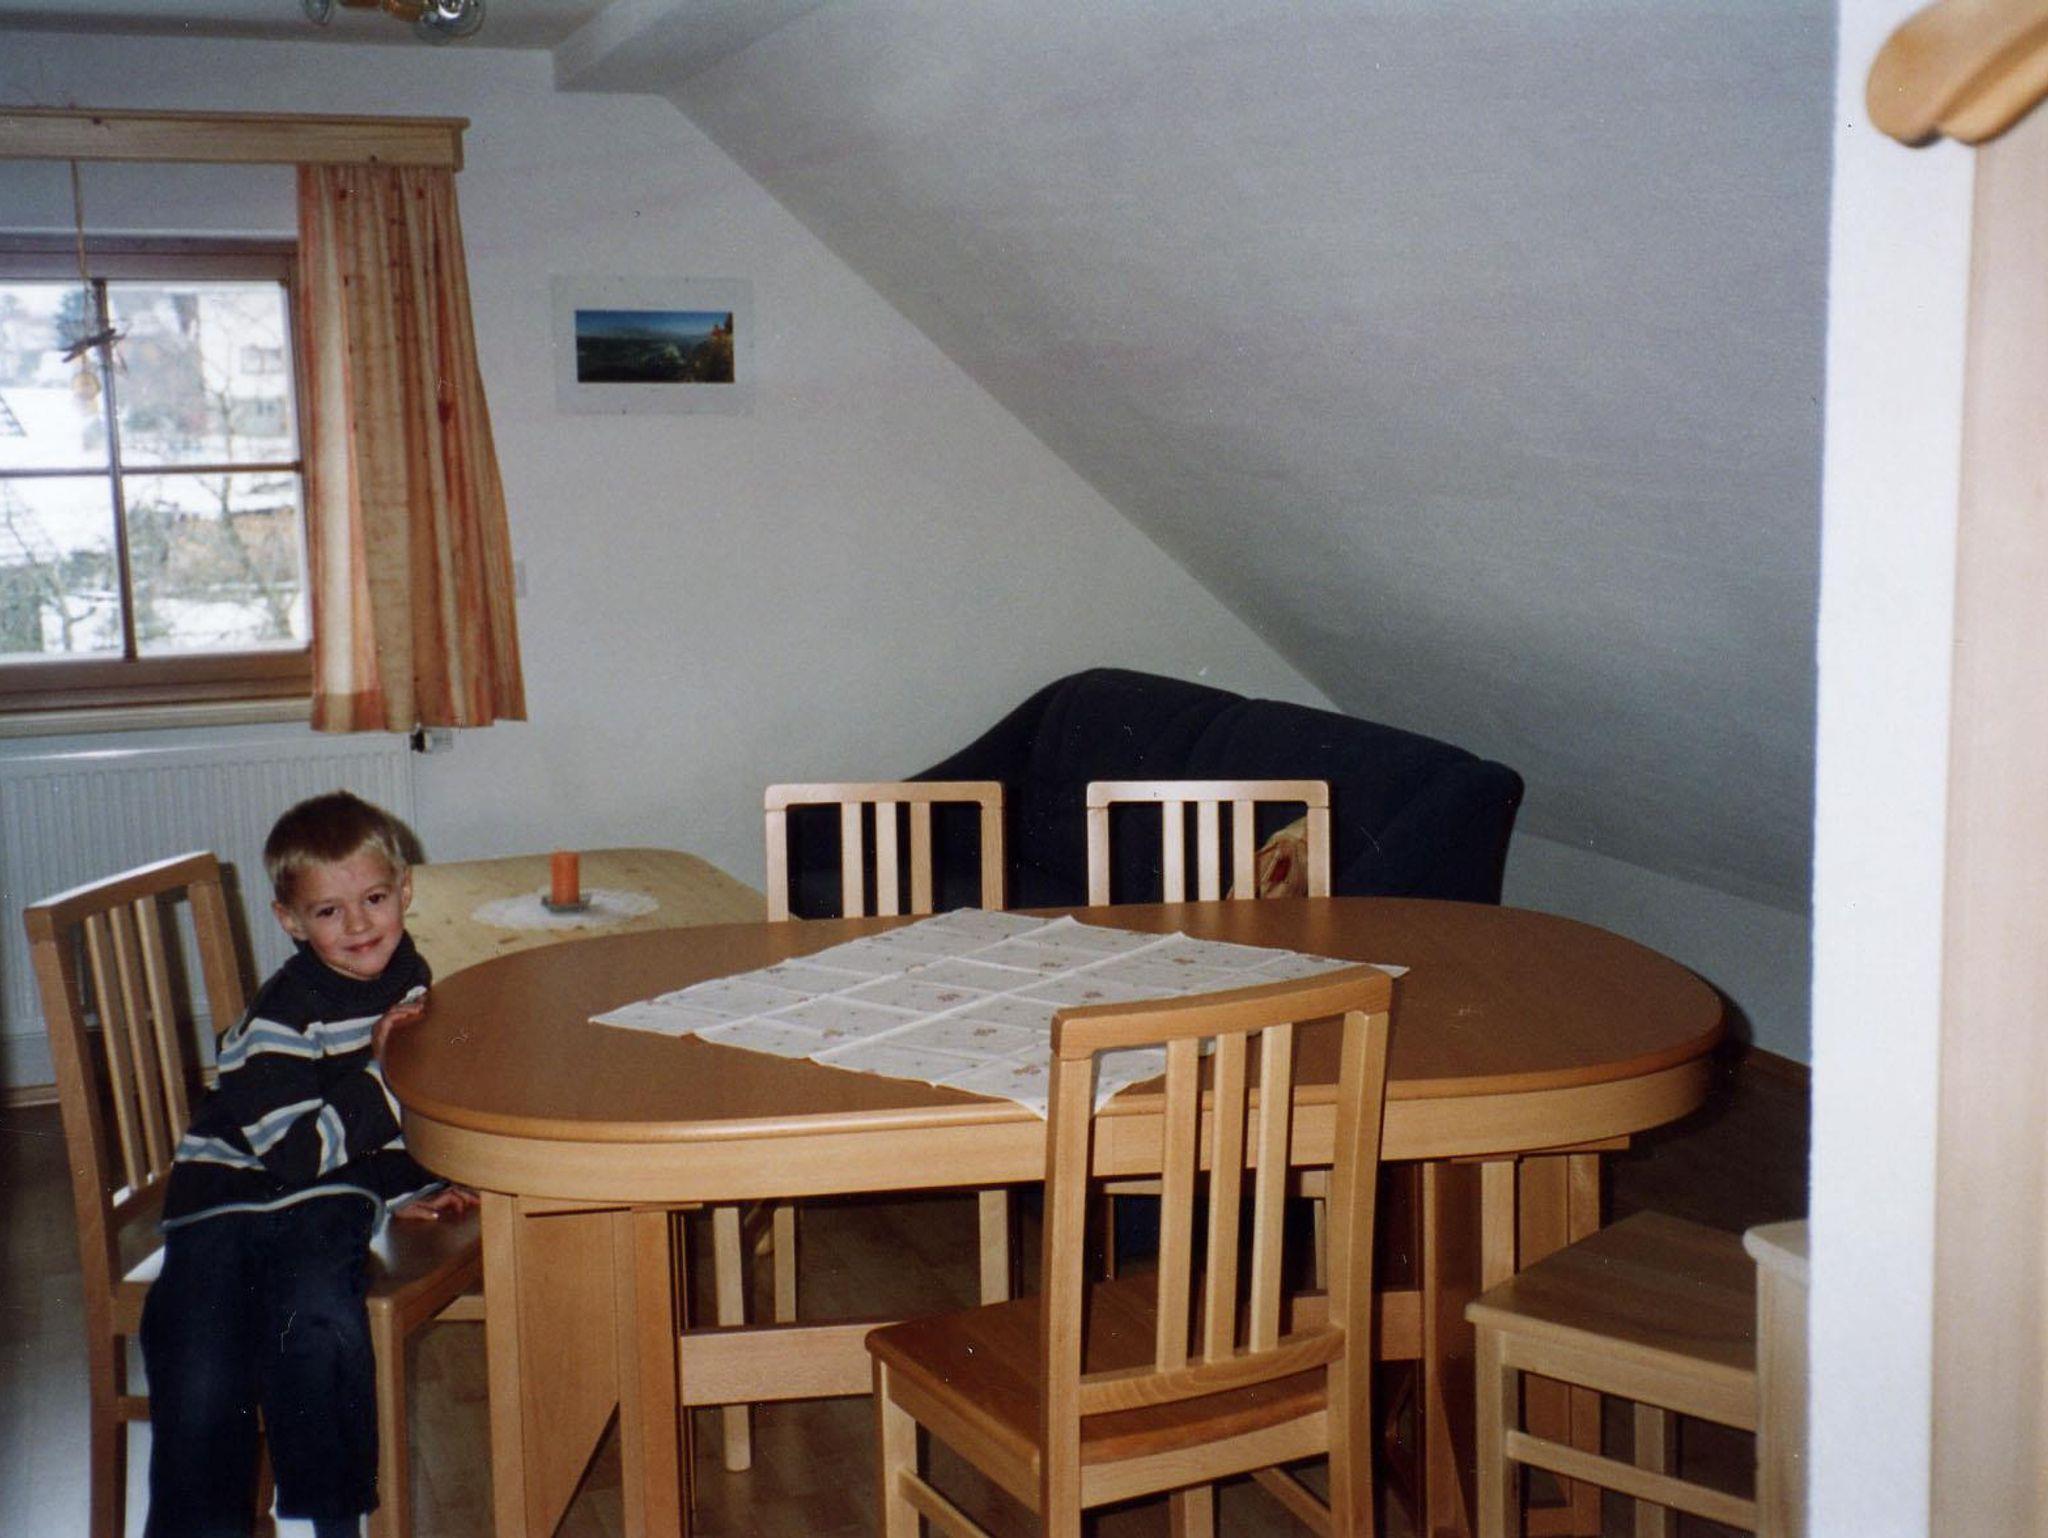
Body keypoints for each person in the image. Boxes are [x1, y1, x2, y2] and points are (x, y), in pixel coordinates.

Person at [140, 791, 476, 1538]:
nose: (358, 925)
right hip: (226, 1203)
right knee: (199, 1358)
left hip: (323, 1205)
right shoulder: (283, 1016)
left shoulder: (409, 979)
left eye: (374, 899)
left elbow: (387, 1121)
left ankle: (333, 1522)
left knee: (321, 1328)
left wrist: (408, 1183)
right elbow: (299, 1155)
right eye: (328, 911)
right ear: (291, 921)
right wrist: (383, 1074)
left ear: (405, 891)